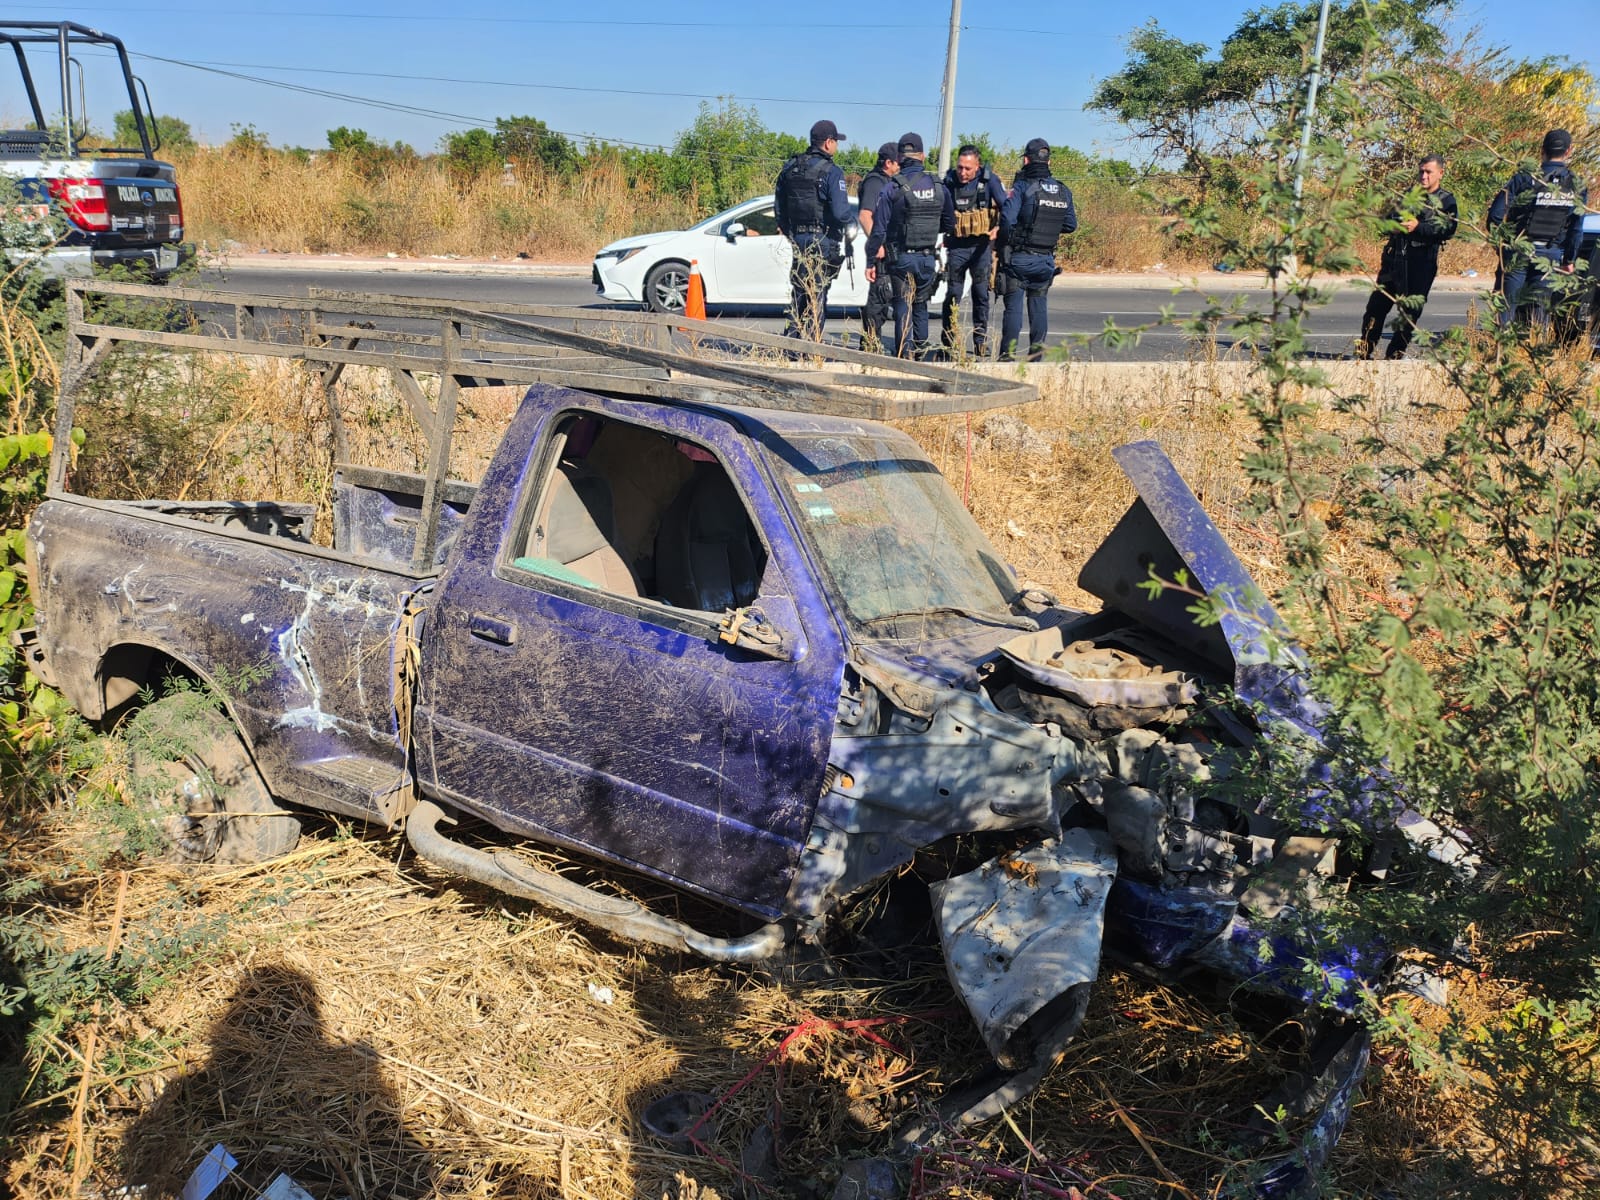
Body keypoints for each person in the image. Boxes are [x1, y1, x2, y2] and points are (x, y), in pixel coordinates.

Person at [1356, 154, 1458, 360]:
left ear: (1440, 173)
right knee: (1375, 309)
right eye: (1421, 171)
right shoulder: (1407, 195)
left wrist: (1418, 227)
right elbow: (1386, 220)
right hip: (1395, 261)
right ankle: (1363, 353)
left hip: (1421, 263)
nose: (1424, 176)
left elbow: (1448, 228)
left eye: (1428, 172)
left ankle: (1394, 356)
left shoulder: (1446, 201)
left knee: (1409, 315)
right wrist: (1394, 225)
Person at [1487, 128, 1587, 331]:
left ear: (1542, 150)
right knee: (1537, 317)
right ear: (1568, 151)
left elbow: (1495, 215)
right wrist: (1569, 261)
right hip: (1549, 257)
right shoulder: (1576, 185)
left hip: (1518, 251)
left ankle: (1500, 355)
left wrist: (1502, 245)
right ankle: (1532, 356)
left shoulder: (1525, 177)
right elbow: (1576, 229)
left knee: (1506, 309)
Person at [864, 132, 954, 358]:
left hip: (901, 258)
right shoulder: (938, 186)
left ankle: (904, 356)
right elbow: (950, 223)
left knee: (903, 306)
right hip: (926, 258)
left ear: (901, 158)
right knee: (921, 306)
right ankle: (922, 357)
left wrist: (871, 260)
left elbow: (878, 229)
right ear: (922, 156)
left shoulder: (892, 188)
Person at [997, 138, 1076, 362]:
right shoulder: (1062, 190)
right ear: (1048, 162)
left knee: (1013, 308)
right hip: (1045, 261)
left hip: (1021, 258)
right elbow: (1070, 225)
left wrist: (1007, 242)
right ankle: (1036, 359)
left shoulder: (1023, 188)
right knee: (1039, 307)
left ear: (1025, 160)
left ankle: (1007, 357)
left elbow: (1007, 220)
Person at [775, 119, 853, 341]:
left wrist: (792, 234)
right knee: (816, 294)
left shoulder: (790, 167)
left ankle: (791, 345)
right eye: (836, 141)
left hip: (798, 239)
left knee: (798, 293)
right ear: (828, 142)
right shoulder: (832, 171)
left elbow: (779, 208)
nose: (836, 146)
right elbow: (840, 213)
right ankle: (811, 347)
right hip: (822, 239)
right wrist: (847, 227)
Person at [940, 144, 1008, 359]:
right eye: (960, 167)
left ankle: (980, 341)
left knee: (981, 295)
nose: (963, 172)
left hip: (980, 247)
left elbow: (1007, 207)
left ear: (977, 166)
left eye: (968, 168)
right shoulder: (949, 181)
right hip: (957, 247)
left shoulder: (989, 181)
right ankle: (949, 341)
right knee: (953, 295)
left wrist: (998, 229)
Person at [856, 142, 900, 352]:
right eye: (898, 162)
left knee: (885, 298)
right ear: (888, 163)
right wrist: (878, 244)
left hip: (891, 248)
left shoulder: (888, 181)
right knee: (878, 299)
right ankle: (871, 347)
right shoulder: (875, 182)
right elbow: (865, 216)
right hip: (881, 250)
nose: (901, 166)